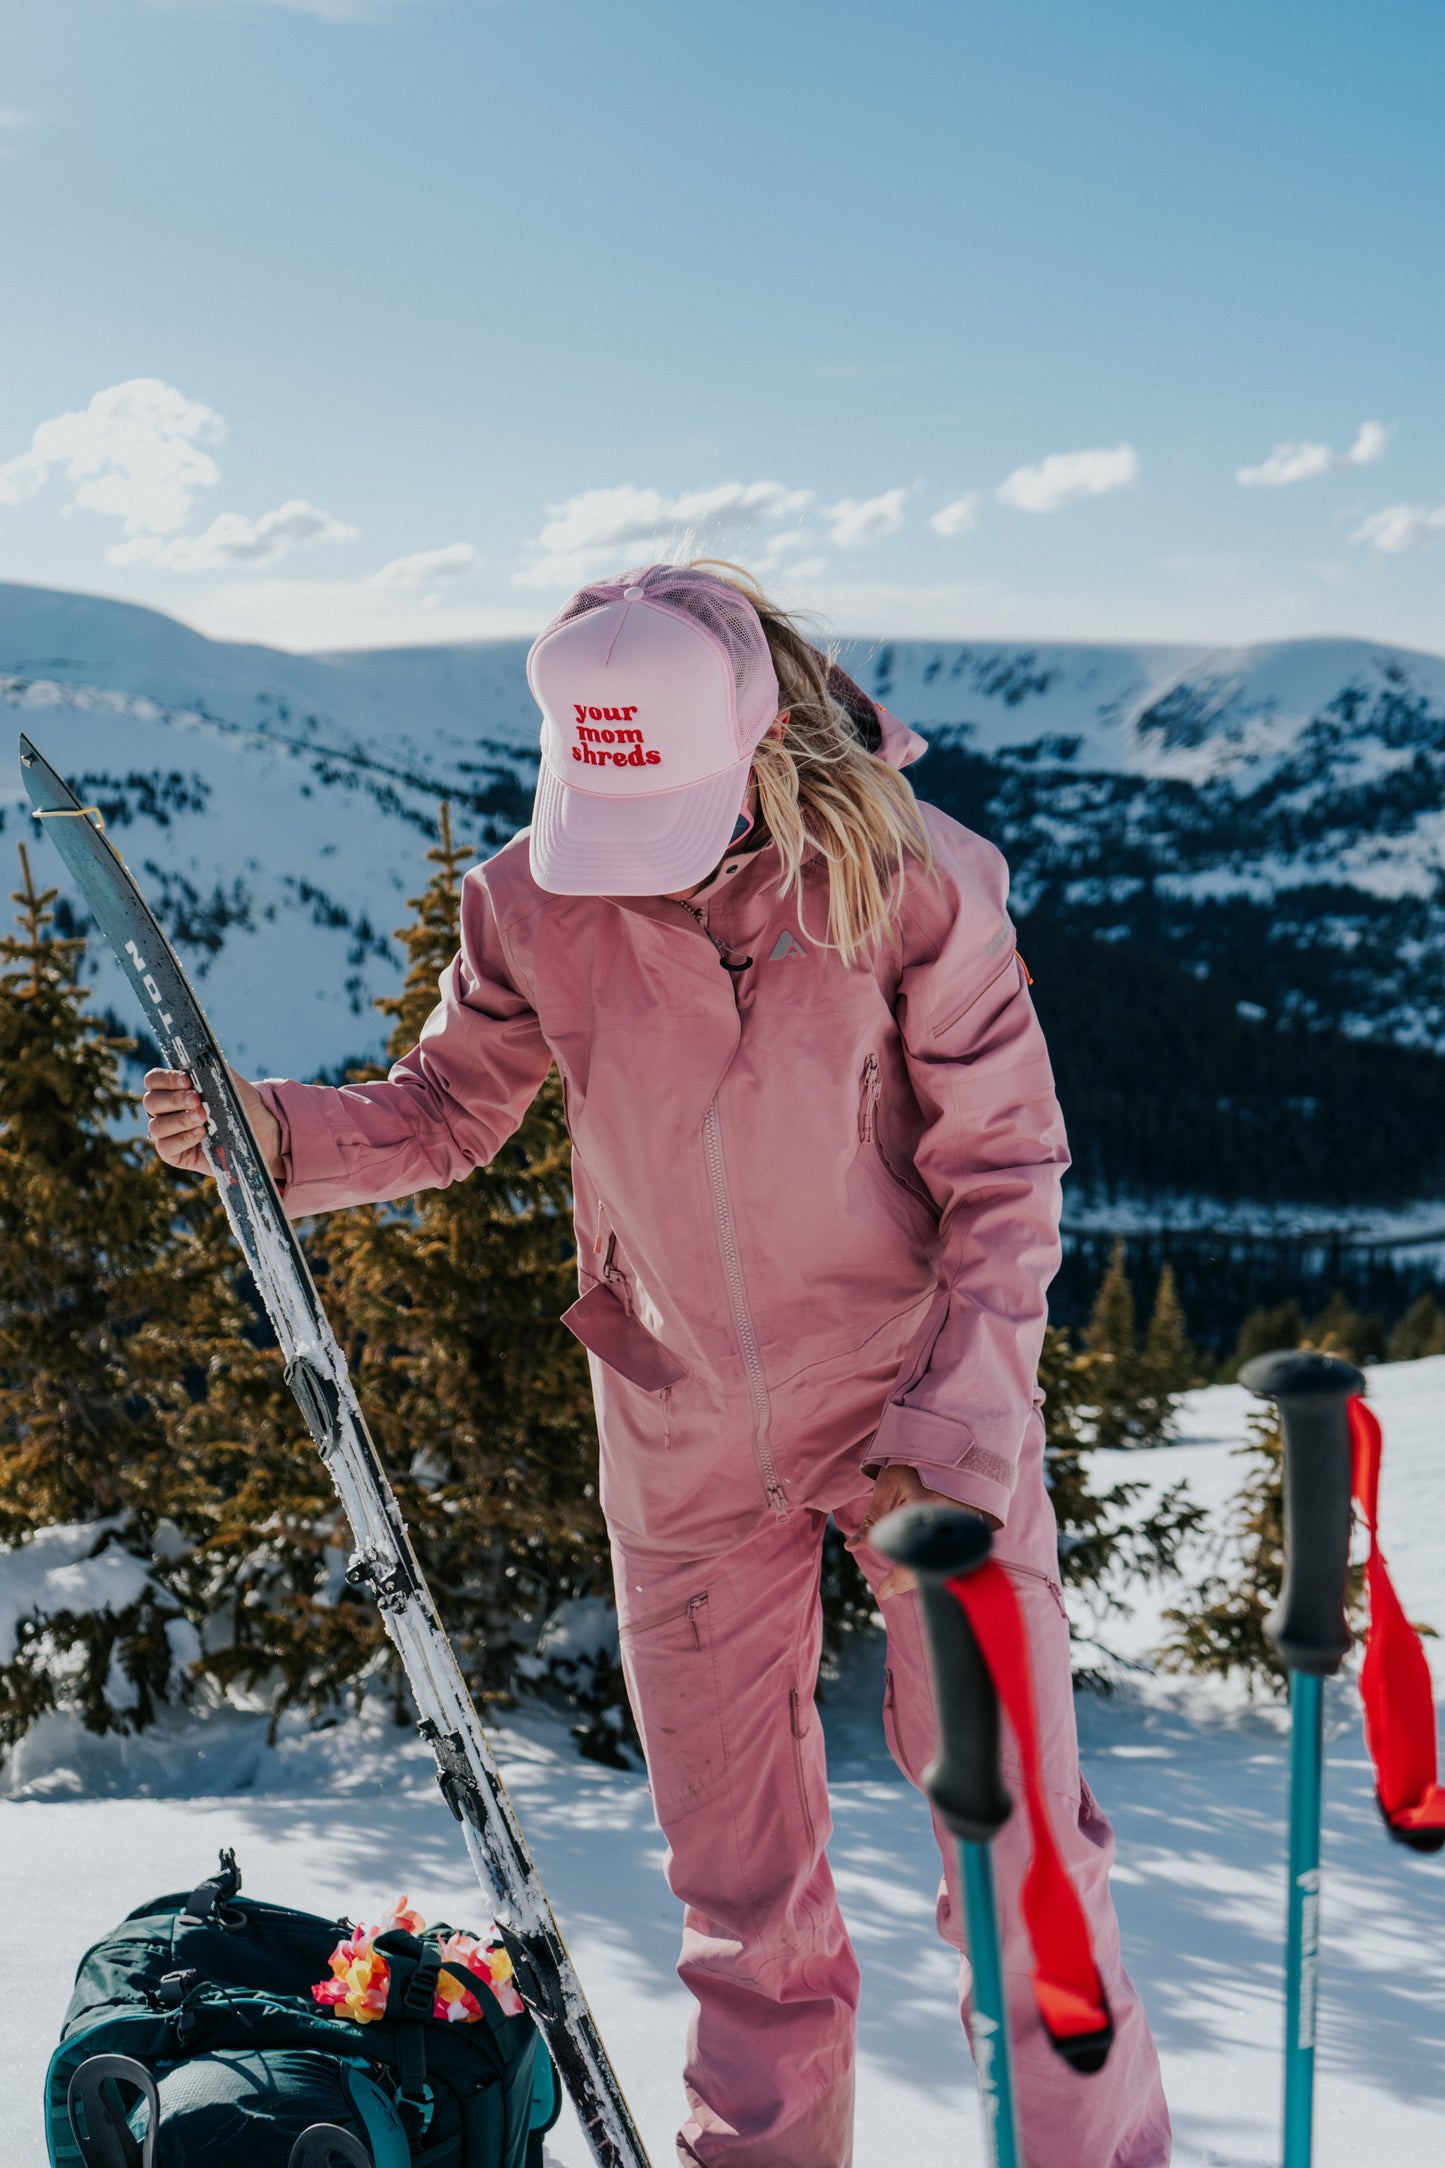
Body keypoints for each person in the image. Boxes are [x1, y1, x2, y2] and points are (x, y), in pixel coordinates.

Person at [144, 562, 1170, 2168]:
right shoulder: (530, 894)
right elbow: (443, 1111)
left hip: (920, 1415)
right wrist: (274, 1134)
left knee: (1022, 1867)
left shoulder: (912, 884)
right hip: (680, 1426)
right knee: (742, 1907)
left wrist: (953, 1435)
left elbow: (1005, 1175)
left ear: (758, 741)